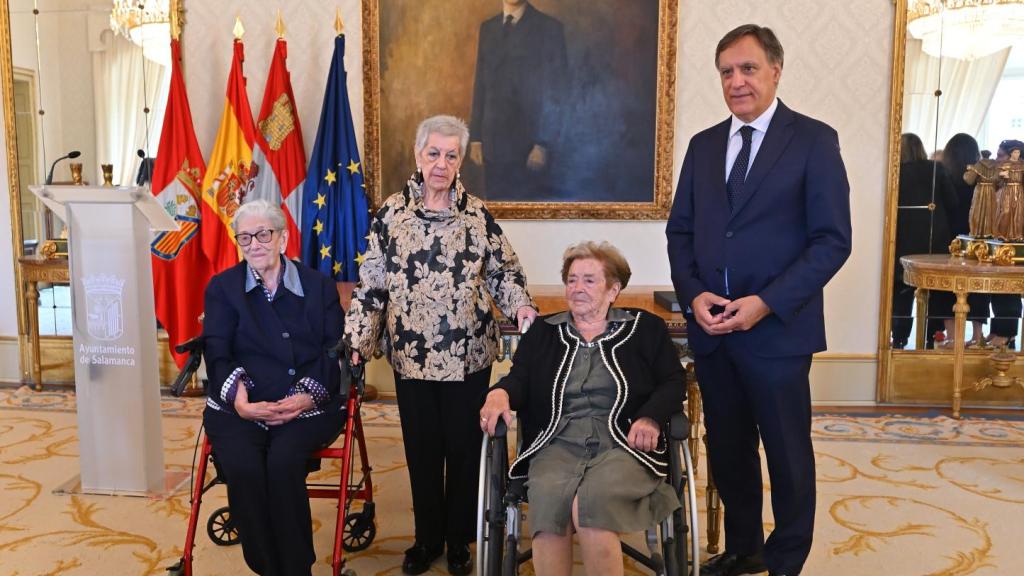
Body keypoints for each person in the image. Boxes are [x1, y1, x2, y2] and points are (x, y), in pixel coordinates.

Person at [665, 25, 852, 576]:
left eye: (748, 68)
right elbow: (681, 232)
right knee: (728, 450)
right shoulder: (702, 146)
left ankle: (786, 560)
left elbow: (832, 241)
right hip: (714, 332)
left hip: (777, 332)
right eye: (726, 71)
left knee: (787, 454)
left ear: (775, 70)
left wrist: (766, 302)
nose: (736, 81)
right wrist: (693, 294)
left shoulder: (814, 140)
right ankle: (744, 548)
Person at [344, 115, 537, 575]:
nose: (441, 164)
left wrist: (521, 307)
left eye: (451, 155)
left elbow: (504, 272)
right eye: (433, 153)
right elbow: (372, 285)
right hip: (411, 357)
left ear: (460, 160)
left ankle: (459, 540)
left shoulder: (477, 215)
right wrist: (356, 340)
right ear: (418, 155)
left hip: (468, 356)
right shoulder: (391, 214)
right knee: (422, 452)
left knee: (465, 450)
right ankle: (427, 538)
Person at [479, 241, 685, 576]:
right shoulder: (544, 332)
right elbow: (520, 379)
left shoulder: (644, 329)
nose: (577, 288)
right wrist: (500, 393)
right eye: (572, 280)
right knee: (549, 507)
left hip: (623, 444)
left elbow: (673, 381)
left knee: (590, 509)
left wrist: (651, 417)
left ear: (613, 289)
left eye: (589, 280)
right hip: (557, 443)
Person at [202, 199, 346, 576]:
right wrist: (240, 400)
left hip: (306, 404)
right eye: (245, 237)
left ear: (283, 239)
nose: (254, 244)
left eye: (263, 234)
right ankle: (267, 567)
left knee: (283, 464)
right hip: (241, 407)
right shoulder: (223, 288)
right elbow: (216, 351)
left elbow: (333, 351)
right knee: (244, 467)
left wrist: (305, 397)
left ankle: (296, 569)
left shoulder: (318, 286)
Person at [468, 0, 567, 200]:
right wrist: (476, 137)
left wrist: (543, 144)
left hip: (530, 150)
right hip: (493, 146)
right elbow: (481, 84)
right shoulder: (488, 28)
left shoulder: (549, 28)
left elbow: (557, 92)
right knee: (497, 213)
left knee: (528, 213)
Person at [893, 133, 957, 349]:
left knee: (902, 290)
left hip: (903, 238)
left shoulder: (897, 171)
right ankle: (934, 336)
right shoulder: (936, 169)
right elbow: (952, 202)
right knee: (938, 290)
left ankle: (899, 337)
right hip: (935, 238)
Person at [941, 133, 988, 346]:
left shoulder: (944, 175)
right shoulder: (978, 178)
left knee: (946, 285)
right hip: (975, 233)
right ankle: (977, 336)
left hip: (949, 235)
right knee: (978, 285)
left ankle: (952, 336)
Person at [987, 139, 1024, 349]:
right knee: (998, 285)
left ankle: (1007, 332)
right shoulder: (1001, 179)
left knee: (1009, 285)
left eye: (1000, 155)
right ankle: (998, 330)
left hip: (1015, 239)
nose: (997, 159)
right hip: (1001, 237)